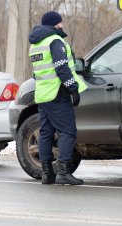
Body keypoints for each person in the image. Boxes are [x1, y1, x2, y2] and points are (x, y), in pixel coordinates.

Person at [28, 11, 88, 185]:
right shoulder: (55, 41)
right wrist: (73, 89)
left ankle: (47, 174)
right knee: (68, 131)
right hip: (58, 93)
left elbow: (36, 73)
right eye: (60, 23)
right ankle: (63, 172)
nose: (62, 25)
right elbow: (62, 68)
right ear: (55, 24)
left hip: (43, 94)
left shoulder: (35, 45)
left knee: (46, 133)